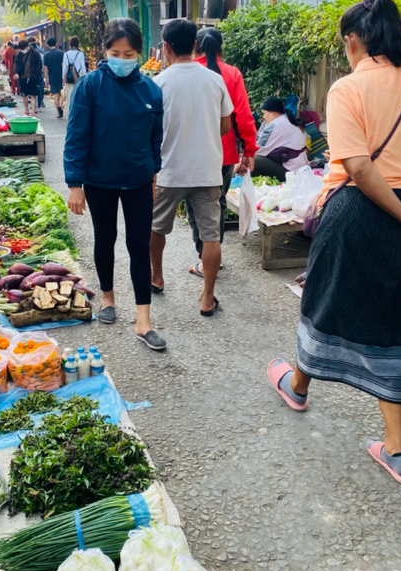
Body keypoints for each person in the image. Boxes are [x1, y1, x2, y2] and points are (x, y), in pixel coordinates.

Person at [268, 0, 401, 487]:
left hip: (360, 212)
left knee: (325, 300)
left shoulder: (347, 89)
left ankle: (298, 385)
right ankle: (397, 451)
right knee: (397, 318)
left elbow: (361, 169)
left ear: (352, 42)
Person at [65, 18, 166, 351]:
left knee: (138, 246)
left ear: (139, 52)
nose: (122, 58)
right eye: (115, 52)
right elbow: (76, 135)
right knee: (105, 238)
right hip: (99, 181)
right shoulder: (90, 86)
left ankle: (143, 321)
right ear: (105, 51)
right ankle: (108, 299)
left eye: (129, 52)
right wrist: (74, 182)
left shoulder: (151, 89)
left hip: (138, 180)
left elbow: (156, 140)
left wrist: (153, 175)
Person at [150, 19, 232, 317]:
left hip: (170, 170)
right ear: (195, 45)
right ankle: (207, 298)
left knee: (157, 228)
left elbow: (151, 132)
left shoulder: (158, 83)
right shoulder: (214, 79)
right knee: (211, 235)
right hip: (208, 170)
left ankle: (156, 278)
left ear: (166, 47)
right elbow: (225, 125)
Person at [188, 28, 257, 276]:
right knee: (217, 203)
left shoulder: (186, 71)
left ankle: (204, 257)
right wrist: (249, 150)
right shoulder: (231, 74)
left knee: (195, 205)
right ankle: (214, 256)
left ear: (195, 45)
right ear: (221, 48)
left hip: (191, 153)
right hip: (224, 154)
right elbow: (243, 115)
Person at [253, 97, 308, 181]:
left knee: (252, 160)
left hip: (291, 171)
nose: (264, 117)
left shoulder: (275, 125)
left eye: (264, 113)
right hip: (299, 167)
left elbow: (259, 148)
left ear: (273, 112)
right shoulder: (287, 120)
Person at [18, 38, 44, 117]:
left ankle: (33, 111)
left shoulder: (35, 53)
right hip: (23, 76)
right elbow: (16, 64)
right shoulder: (20, 54)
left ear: (27, 46)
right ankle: (26, 110)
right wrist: (17, 73)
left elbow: (39, 65)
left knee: (33, 94)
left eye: (23, 48)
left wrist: (36, 75)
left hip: (33, 77)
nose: (23, 50)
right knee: (24, 94)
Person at [44, 37, 65, 118]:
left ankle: (58, 112)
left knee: (55, 95)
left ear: (48, 45)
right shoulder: (61, 53)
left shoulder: (46, 55)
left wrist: (46, 79)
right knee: (62, 93)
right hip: (60, 76)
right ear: (56, 44)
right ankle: (60, 104)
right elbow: (63, 65)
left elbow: (45, 68)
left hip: (52, 77)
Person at [63, 36, 86, 106]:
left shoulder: (66, 54)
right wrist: (85, 77)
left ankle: (69, 110)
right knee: (78, 94)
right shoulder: (80, 54)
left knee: (69, 94)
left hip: (68, 77)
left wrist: (63, 78)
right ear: (78, 44)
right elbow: (83, 67)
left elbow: (64, 67)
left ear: (70, 44)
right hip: (79, 77)